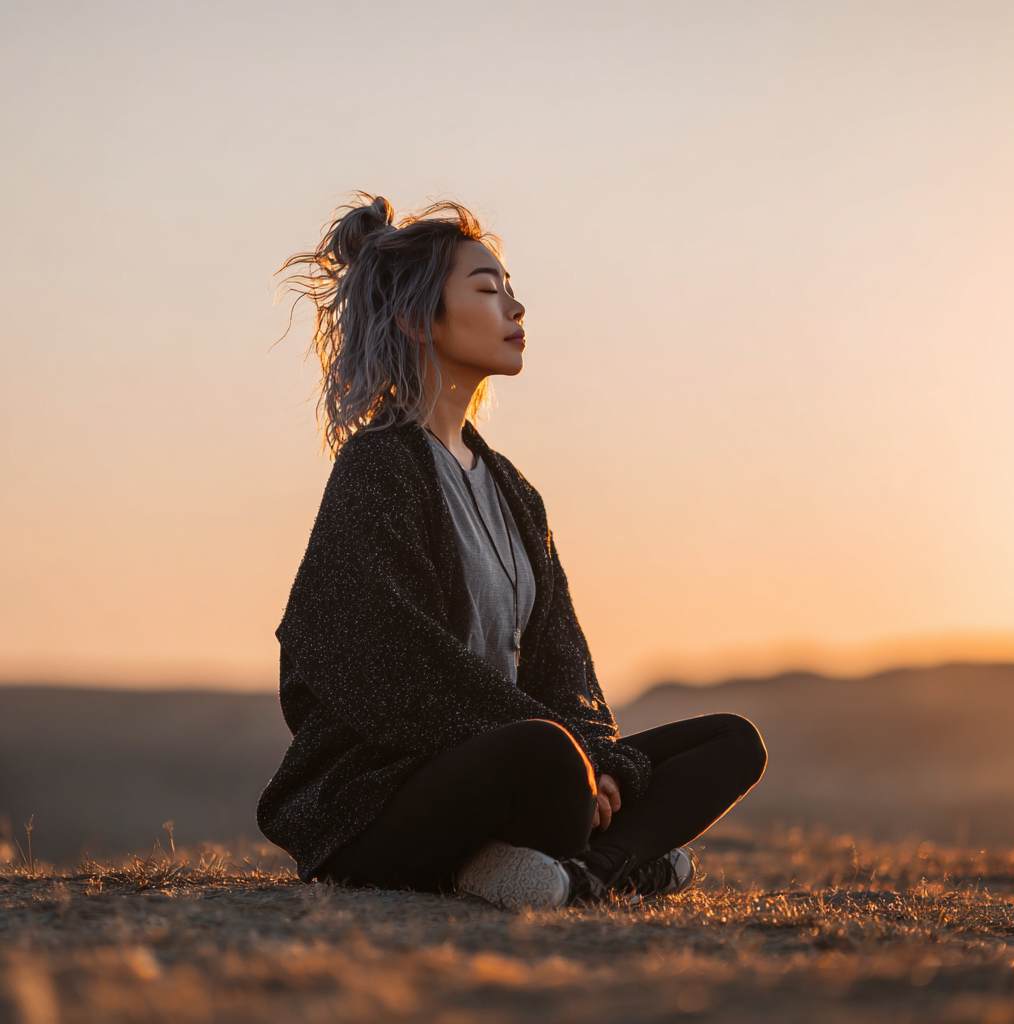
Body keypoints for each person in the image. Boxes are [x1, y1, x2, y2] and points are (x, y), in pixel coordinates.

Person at [257, 193, 767, 909]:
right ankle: (609, 859)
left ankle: (587, 873)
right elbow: (376, 655)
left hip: (536, 767)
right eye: (488, 290)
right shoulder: (379, 467)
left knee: (730, 741)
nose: (516, 310)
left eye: (513, 293)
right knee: (547, 755)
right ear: (414, 318)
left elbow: (567, 668)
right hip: (390, 796)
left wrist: (606, 761)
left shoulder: (516, 495)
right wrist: (573, 755)